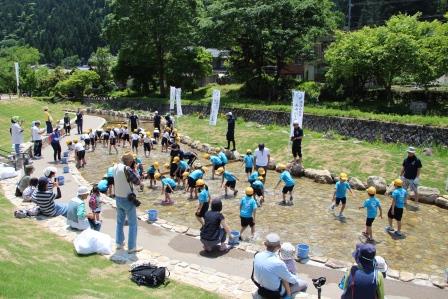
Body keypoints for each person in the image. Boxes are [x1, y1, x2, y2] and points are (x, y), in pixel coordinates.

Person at [253, 233, 308, 298]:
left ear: (265, 244)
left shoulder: (257, 255)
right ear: (279, 247)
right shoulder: (278, 263)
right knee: (304, 284)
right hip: (275, 292)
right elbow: (291, 279)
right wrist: (296, 277)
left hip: (262, 287)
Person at [113, 152, 142, 254]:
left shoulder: (115, 167)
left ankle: (119, 243)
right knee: (133, 223)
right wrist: (136, 169)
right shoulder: (128, 169)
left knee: (120, 222)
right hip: (127, 199)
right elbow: (137, 181)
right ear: (130, 161)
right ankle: (132, 247)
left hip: (118, 198)